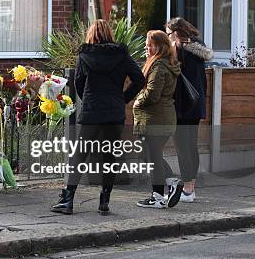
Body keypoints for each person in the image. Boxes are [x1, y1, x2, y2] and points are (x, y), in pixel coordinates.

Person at [51, 19, 144, 215]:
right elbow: (139, 80)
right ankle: (104, 202)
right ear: (110, 33)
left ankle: (67, 200)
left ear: (91, 34)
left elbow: (78, 82)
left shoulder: (85, 55)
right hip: (114, 111)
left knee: (79, 156)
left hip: (92, 110)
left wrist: (88, 99)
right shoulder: (122, 54)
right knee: (109, 156)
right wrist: (122, 98)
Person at [134, 30, 183, 209]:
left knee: (152, 157)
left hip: (154, 119)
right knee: (148, 155)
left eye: (150, 44)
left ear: (160, 47)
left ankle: (157, 197)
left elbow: (153, 94)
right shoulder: (164, 64)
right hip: (160, 117)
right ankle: (172, 182)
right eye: (147, 43)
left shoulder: (159, 66)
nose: (147, 47)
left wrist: (137, 100)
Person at [166, 18, 213, 202]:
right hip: (196, 104)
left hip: (182, 105)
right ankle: (191, 187)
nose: (168, 37)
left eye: (169, 34)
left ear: (177, 33)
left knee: (182, 147)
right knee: (191, 146)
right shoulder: (198, 48)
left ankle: (187, 189)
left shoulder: (179, 50)